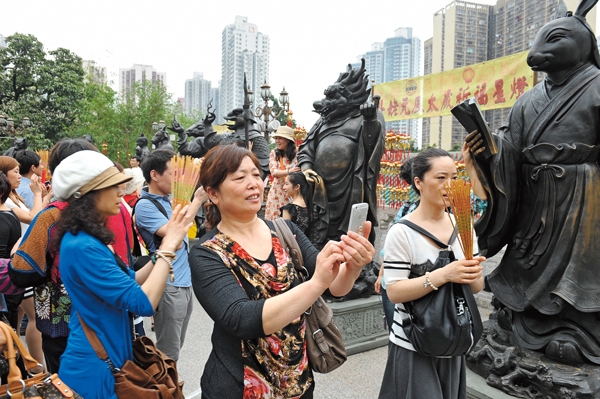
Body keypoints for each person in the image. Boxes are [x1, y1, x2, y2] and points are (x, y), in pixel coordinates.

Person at [189, 144, 375, 399]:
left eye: (256, 174)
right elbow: (242, 319)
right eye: (240, 177)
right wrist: (316, 283)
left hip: (297, 380)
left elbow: (335, 286)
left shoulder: (285, 232)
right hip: (239, 386)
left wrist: (352, 267)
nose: (253, 183)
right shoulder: (206, 253)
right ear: (213, 193)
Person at [49, 150, 190, 399]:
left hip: (108, 357)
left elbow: (130, 282)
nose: (121, 192)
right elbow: (143, 302)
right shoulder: (82, 246)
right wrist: (167, 249)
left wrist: (160, 254)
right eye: (112, 186)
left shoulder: (90, 238)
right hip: (94, 369)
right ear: (86, 194)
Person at [378, 148, 485, 399]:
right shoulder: (401, 232)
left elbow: (477, 287)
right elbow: (394, 292)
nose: (450, 185)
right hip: (415, 343)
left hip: (453, 340)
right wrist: (444, 274)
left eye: (454, 177)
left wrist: (473, 273)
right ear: (419, 182)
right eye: (440, 178)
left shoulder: (464, 225)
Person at [10, 139, 99, 374]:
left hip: (61, 325)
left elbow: (21, 271)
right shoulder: (115, 209)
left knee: (67, 384)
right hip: (106, 320)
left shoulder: (51, 216)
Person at [135, 148, 206, 361]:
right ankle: (165, 391)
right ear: (154, 175)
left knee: (177, 345)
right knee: (168, 352)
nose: (178, 180)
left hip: (183, 281)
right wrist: (197, 200)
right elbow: (174, 233)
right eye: (173, 174)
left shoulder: (172, 199)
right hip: (167, 283)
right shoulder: (145, 206)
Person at [265, 126, 300, 220]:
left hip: (291, 194)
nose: (277, 141)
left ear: (288, 140)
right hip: (276, 193)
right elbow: (274, 172)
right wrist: (289, 171)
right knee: (274, 223)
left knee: (290, 225)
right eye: (276, 138)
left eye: (280, 138)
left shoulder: (297, 154)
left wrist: (286, 171)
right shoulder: (274, 153)